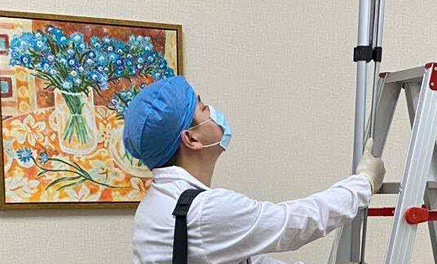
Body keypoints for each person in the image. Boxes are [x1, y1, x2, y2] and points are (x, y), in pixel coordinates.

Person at [123, 76, 385, 264]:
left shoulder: (156, 205)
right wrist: (364, 182)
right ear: (191, 139)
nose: (213, 111)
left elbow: (241, 257)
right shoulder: (205, 211)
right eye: (203, 109)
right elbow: (293, 222)